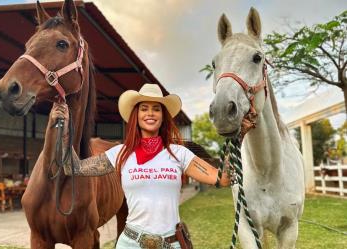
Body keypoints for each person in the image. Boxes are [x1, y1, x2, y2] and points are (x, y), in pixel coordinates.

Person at [49, 83, 230, 249]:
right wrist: (63, 130)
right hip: (131, 243)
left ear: (162, 116)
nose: (150, 113)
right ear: (136, 116)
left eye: (156, 109)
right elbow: (73, 168)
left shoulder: (179, 153)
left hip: (171, 243)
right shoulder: (121, 153)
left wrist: (238, 135)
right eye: (144, 108)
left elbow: (221, 178)